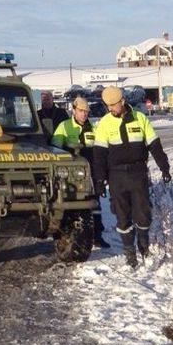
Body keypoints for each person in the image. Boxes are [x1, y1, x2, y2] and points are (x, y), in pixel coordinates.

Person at [92, 86, 172, 268]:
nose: (111, 108)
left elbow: (155, 145)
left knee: (143, 214)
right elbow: (99, 156)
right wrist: (99, 180)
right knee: (122, 216)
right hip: (116, 176)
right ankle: (129, 252)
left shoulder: (140, 118)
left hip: (138, 174)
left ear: (122, 101)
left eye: (113, 105)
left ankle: (143, 246)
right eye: (108, 106)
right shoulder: (104, 123)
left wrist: (164, 168)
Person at [51, 96, 110, 248]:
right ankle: (65, 234)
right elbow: (54, 149)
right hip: (70, 173)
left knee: (95, 203)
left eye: (86, 111)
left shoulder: (93, 128)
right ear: (74, 110)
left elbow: (100, 147)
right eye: (81, 111)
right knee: (70, 203)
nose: (84, 114)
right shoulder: (64, 126)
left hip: (91, 170)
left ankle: (97, 235)